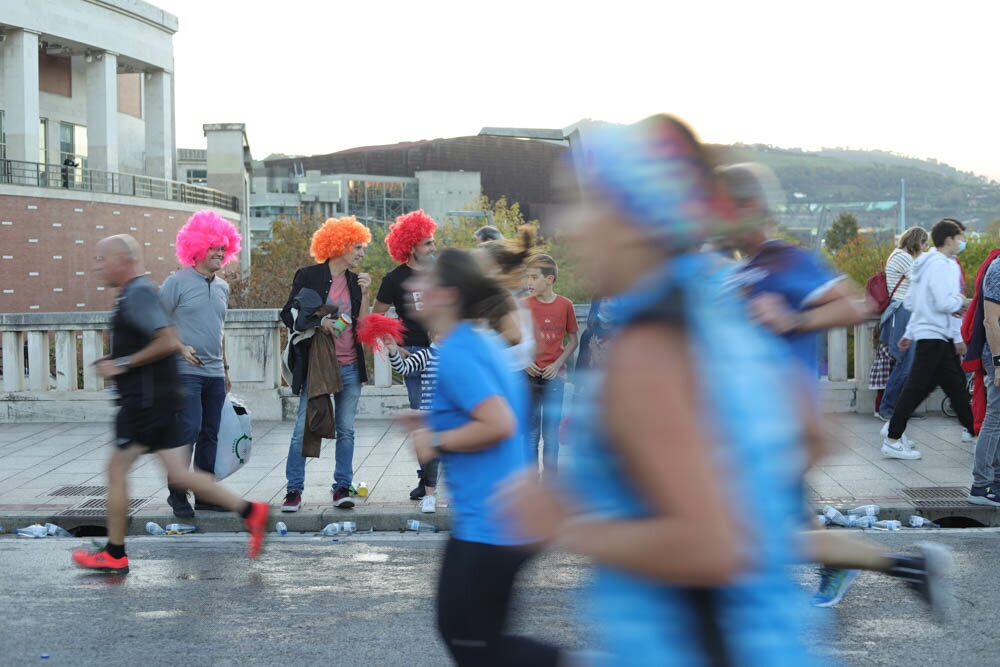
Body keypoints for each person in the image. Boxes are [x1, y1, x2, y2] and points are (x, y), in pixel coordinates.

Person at [502, 115, 816, 664]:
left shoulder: (649, 350)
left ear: (633, 219)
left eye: (587, 204)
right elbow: (814, 435)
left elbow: (710, 546)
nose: (574, 227)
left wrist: (568, 524)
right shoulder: (725, 307)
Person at [718, 163, 953, 612]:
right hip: (747, 419)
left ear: (746, 208)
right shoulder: (740, 269)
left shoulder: (788, 259)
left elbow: (854, 305)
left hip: (779, 420)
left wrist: (793, 319)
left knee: (749, 525)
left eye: (718, 209)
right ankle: (905, 568)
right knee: (782, 523)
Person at [72, 235, 267, 574]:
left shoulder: (138, 293)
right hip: (160, 397)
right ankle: (252, 512)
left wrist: (123, 363)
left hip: (146, 402)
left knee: (117, 470)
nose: (96, 266)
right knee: (178, 472)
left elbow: (166, 339)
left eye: (102, 258)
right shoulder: (147, 291)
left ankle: (115, 553)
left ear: (122, 260)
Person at [403, 248, 560, 667]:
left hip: (490, 525)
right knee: (474, 641)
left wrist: (436, 440)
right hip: (504, 518)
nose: (412, 286)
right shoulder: (480, 341)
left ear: (448, 294)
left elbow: (499, 423)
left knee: (473, 642)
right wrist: (434, 419)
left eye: (425, 281)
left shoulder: (457, 350)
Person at [280, 217, 371, 512]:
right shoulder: (309, 275)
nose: (361, 254)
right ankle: (293, 491)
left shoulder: (356, 284)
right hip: (317, 365)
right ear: (340, 245)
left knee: (346, 430)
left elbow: (364, 324)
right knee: (303, 428)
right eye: (357, 247)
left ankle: (342, 487)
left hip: (349, 365)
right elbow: (288, 315)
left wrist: (367, 293)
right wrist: (321, 322)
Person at [159, 210, 241, 517]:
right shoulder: (175, 283)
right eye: (213, 247)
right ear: (196, 248)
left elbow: (219, 331)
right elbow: (157, 324)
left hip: (214, 373)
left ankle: (205, 494)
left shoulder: (222, 287)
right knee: (189, 429)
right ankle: (177, 493)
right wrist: (180, 347)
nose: (220, 252)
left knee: (211, 433)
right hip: (185, 371)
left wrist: (226, 369)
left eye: (223, 247)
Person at [883, 218, 974, 461]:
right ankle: (892, 436)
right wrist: (961, 302)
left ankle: (976, 434)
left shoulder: (922, 263)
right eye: (959, 238)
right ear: (949, 240)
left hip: (929, 335)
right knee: (927, 389)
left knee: (950, 389)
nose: (961, 243)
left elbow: (913, 302)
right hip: (936, 335)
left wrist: (911, 333)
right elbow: (945, 303)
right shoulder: (944, 265)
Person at [372, 210, 437, 500]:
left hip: (444, 352)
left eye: (433, 242)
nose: (433, 248)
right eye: (427, 243)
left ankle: (437, 480)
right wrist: (395, 343)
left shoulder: (442, 274)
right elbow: (377, 317)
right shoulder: (393, 278)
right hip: (412, 352)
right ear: (411, 246)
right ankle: (426, 481)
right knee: (423, 417)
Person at [523, 254, 578, 477]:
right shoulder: (523, 306)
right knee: (531, 434)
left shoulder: (565, 305)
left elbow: (573, 340)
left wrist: (557, 364)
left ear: (550, 279)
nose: (529, 282)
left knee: (551, 435)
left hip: (554, 378)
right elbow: (512, 340)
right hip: (529, 378)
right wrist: (525, 362)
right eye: (527, 277)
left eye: (534, 277)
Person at [877, 227, 930, 421]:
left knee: (910, 363)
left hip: (908, 312)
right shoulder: (902, 256)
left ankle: (901, 406)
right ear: (915, 242)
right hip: (902, 312)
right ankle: (887, 408)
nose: (925, 247)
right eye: (924, 243)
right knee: (904, 362)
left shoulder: (906, 257)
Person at [386, 335, 440, 513]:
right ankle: (429, 496)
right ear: (432, 335)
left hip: (451, 414)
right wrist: (393, 350)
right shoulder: (425, 355)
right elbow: (403, 367)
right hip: (428, 414)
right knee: (431, 458)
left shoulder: (457, 356)